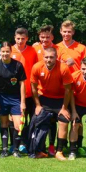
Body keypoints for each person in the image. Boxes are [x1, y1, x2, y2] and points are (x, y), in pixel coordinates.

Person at [30, 47, 73, 161]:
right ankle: (40, 150)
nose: (48, 59)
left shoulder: (63, 68)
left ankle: (59, 151)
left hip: (60, 100)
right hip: (44, 99)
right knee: (39, 120)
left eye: (51, 57)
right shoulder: (37, 67)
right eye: (46, 57)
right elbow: (33, 88)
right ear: (43, 57)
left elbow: (68, 90)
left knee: (64, 120)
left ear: (56, 57)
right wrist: (38, 105)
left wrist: (64, 108)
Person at [0, 42, 27, 157]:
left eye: (7, 51)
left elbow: (22, 84)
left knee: (17, 125)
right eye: (3, 51)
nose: (5, 54)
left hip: (15, 99)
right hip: (2, 98)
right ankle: (4, 149)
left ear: (11, 52)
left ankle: (15, 149)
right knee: (4, 123)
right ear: (0, 52)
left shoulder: (18, 65)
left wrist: (23, 102)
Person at [10, 27, 39, 147]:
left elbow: (36, 69)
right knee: (14, 119)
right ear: (14, 38)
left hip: (29, 91)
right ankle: (14, 144)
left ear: (27, 39)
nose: (20, 41)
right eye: (18, 38)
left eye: (23, 39)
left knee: (29, 119)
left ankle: (26, 143)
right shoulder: (10, 50)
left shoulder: (33, 51)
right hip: (14, 92)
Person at [32, 24, 57, 155]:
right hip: (39, 92)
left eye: (47, 37)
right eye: (42, 37)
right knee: (39, 120)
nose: (45, 39)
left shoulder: (57, 49)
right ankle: (38, 145)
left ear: (52, 37)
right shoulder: (34, 48)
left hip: (55, 92)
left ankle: (52, 145)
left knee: (53, 120)